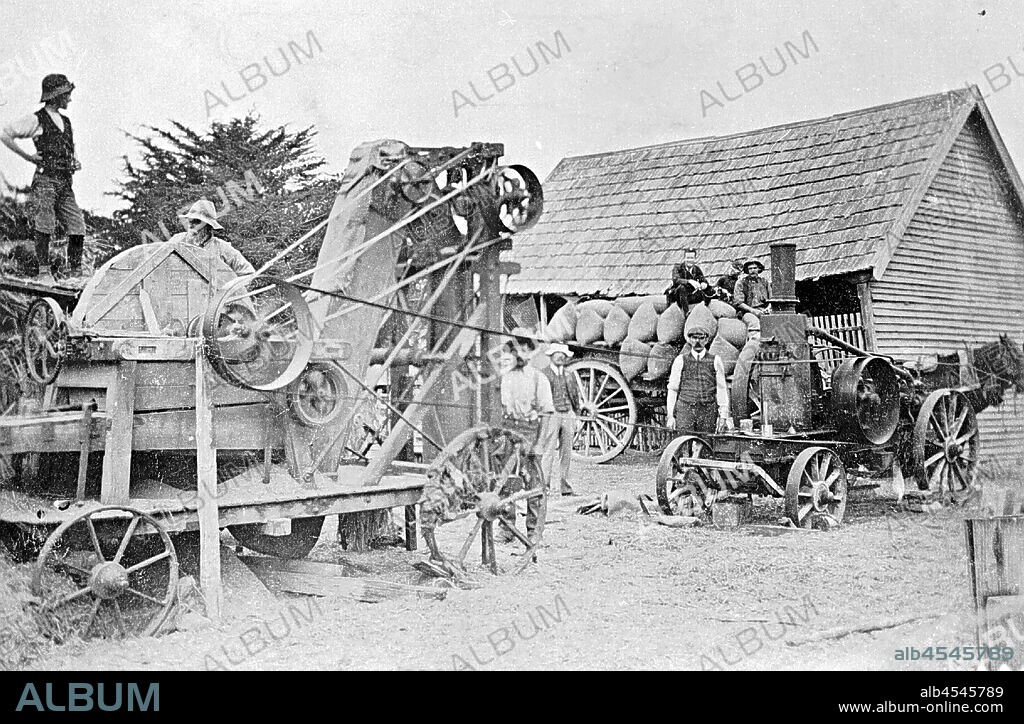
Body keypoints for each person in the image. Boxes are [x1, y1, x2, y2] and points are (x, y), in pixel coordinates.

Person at [1, 74, 86, 278]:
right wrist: (29, 157)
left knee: (77, 227)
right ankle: (44, 272)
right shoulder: (37, 119)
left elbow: (70, 148)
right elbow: (5, 133)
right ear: (56, 96)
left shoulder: (66, 121)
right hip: (45, 181)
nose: (69, 99)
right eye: (66, 94)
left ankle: (75, 272)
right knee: (45, 225)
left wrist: (75, 161)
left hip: (65, 182)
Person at [499, 338, 555, 543]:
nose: (519, 354)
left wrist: (539, 444)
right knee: (505, 482)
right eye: (516, 350)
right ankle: (506, 528)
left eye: (524, 350)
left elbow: (547, 412)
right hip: (508, 432)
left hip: (530, 431)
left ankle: (534, 531)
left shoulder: (539, 379)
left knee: (533, 484)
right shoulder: (505, 378)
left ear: (531, 353)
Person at [666, 322, 732, 436]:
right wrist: (671, 415)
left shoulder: (715, 360)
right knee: (683, 443)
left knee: (706, 444)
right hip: (686, 409)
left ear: (706, 340)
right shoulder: (680, 360)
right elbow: (673, 389)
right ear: (689, 340)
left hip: (707, 410)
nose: (698, 342)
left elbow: (721, 389)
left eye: (701, 338)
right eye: (694, 338)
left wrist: (723, 416)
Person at [169, 199, 256, 276]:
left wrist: (229, 291)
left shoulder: (222, 248)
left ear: (208, 225)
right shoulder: (176, 241)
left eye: (196, 221)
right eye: (189, 220)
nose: (191, 225)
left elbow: (248, 273)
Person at [541, 342, 580, 497]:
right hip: (551, 414)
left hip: (568, 413)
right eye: (557, 353)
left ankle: (565, 486)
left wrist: (575, 414)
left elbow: (575, 395)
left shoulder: (570, 375)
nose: (560, 356)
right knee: (548, 450)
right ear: (551, 355)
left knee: (566, 451)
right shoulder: (544, 374)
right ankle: (544, 486)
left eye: (563, 354)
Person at [666, 248, 708, 315]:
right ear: (684, 258)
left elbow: (704, 280)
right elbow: (676, 279)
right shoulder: (678, 268)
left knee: (705, 293)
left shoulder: (696, 269)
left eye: (691, 258)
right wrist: (689, 281)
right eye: (688, 258)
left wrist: (704, 284)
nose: (689, 260)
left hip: (689, 296)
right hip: (677, 295)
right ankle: (686, 313)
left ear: (695, 259)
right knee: (682, 287)